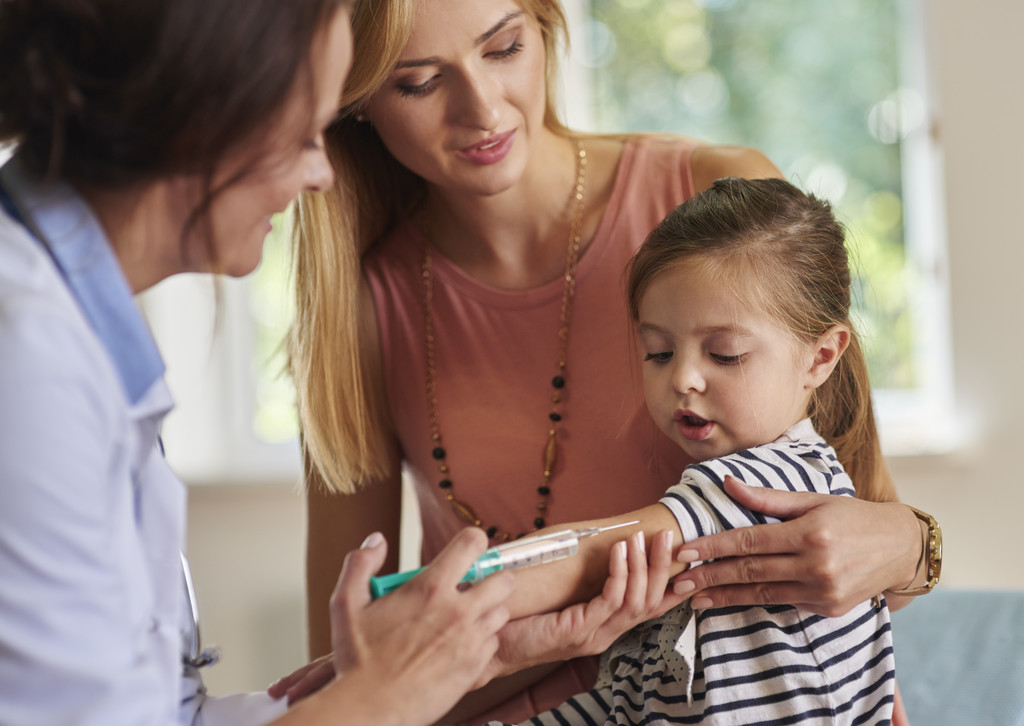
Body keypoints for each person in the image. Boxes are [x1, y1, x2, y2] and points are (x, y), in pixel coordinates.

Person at [289, 0, 937, 722]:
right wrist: (540, 644)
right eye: (417, 82)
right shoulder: (359, 305)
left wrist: (915, 546)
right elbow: (352, 671)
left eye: (503, 48)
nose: (482, 109)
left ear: (544, 29)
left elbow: (872, 550)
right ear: (351, 103)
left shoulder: (718, 212)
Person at [0, 2, 519, 724]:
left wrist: (373, 685)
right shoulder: (26, 363)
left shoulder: (68, 326)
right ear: (197, 118)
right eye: (305, 136)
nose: (321, 176)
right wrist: (381, 701)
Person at [487, 176, 900, 725]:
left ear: (821, 357)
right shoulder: (716, 510)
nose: (683, 378)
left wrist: (447, 596)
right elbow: (631, 704)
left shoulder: (768, 483)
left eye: (724, 355)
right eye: (659, 352)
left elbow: (588, 558)